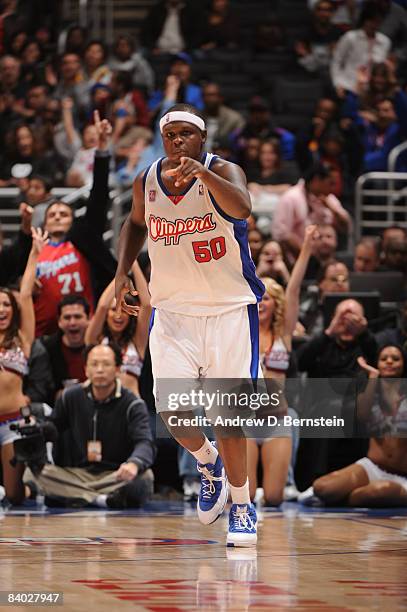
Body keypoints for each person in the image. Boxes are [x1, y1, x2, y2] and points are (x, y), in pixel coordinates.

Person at [114, 103, 265, 547]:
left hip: (229, 309)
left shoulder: (224, 170)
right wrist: (123, 272)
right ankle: (208, 462)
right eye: (170, 134)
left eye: (185, 134)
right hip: (172, 311)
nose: (177, 141)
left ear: (202, 138)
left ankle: (241, 505)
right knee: (171, 411)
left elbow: (243, 210)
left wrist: (203, 175)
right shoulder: (147, 181)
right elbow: (134, 224)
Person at [26, 343, 155, 509]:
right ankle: (101, 500)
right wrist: (40, 429)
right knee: (34, 472)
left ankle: (70, 496)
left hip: (115, 474)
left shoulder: (133, 404)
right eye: (94, 364)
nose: (100, 370)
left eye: (106, 364)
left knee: (145, 478)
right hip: (76, 474)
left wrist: (133, 463)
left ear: (117, 369)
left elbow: (145, 443)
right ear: (86, 369)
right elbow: (53, 427)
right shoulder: (70, 396)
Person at [248, 225, 318, 506]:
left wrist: (306, 249)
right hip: (244, 418)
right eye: (258, 297)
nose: (262, 302)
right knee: (247, 495)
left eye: (267, 298)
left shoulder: (283, 336)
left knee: (275, 498)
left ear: (275, 304)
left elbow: (294, 290)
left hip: (276, 418)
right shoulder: (242, 330)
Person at [33, 111, 116, 336]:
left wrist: (101, 149)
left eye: (64, 214)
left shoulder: (83, 240)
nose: (58, 216)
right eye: (53, 215)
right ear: (46, 225)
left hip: (88, 327)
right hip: (46, 332)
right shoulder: (36, 250)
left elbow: (99, 195)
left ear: (73, 222)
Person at [311, 345, 407, 507]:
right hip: (373, 467)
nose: (389, 362)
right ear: (377, 363)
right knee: (323, 487)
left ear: (404, 364)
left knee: (381, 491)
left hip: (403, 475)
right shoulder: (370, 392)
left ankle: (346, 498)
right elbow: (362, 415)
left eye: (395, 359)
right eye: (384, 359)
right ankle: (354, 496)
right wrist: (373, 377)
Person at [0, 227, 48, 505]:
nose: (2, 309)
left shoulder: (22, 339)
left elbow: (27, 293)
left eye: (6, 304)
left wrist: (35, 254)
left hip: (12, 422)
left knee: (15, 495)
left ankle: (27, 489)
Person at [85, 260, 151, 396]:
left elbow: (147, 305)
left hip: (130, 409)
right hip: (100, 405)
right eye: (114, 309)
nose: (119, 315)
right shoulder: (95, 339)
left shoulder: (136, 342)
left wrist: (132, 262)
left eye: (125, 311)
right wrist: (122, 272)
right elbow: (102, 306)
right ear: (106, 314)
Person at [272, 164, 351, 264]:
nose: (332, 188)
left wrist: (331, 208)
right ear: (316, 180)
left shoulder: (328, 198)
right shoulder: (291, 198)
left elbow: (346, 226)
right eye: (330, 183)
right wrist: (308, 259)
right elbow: (282, 234)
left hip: (325, 261)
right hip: (296, 261)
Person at [330, 2, 390, 97]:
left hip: (373, 90)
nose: (374, 25)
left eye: (377, 22)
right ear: (364, 21)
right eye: (371, 21)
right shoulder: (350, 37)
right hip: (348, 86)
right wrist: (337, 84)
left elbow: (381, 67)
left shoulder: (385, 41)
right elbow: (336, 62)